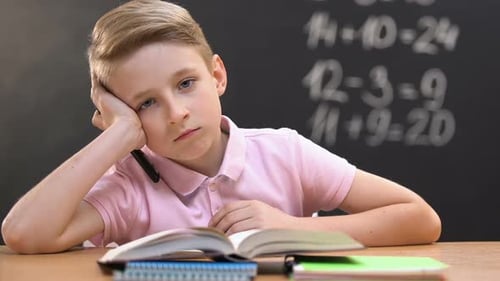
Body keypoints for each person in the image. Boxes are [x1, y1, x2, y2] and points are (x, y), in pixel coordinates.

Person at [1, 0, 441, 254]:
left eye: (186, 84)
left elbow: (420, 220)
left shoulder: (284, 153)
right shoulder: (130, 186)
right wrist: (117, 138)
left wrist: (290, 229)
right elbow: (23, 235)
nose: (176, 113)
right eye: (147, 103)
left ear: (217, 76)